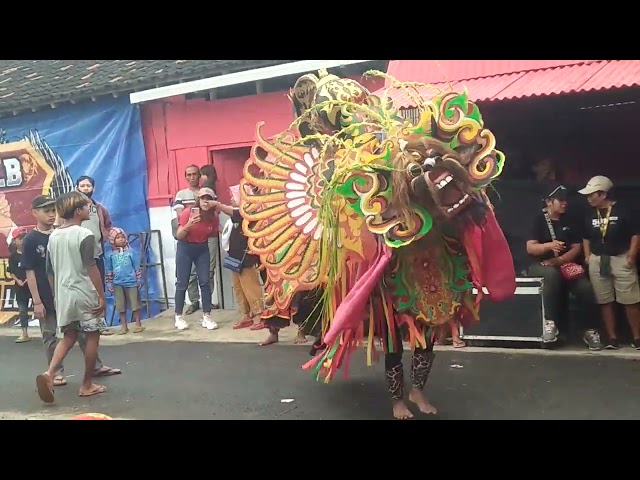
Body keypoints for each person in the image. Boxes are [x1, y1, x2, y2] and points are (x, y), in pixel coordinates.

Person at [23, 195, 120, 388]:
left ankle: (49, 373)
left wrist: (56, 294)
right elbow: (91, 266)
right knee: (92, 335)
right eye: (86, 207)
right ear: (78, 211)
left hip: (63, 294)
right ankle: (87, 385)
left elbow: (50, 271)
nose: (88, 210)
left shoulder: (54, 236)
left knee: (69, 336)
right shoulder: (84, 234)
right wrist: (101, 296)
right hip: (83, 291)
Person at [526, 184, 602, 349]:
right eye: (560, 200)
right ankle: (550, 324)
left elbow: (577, 247)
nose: (564, 203)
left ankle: (589, 330)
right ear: (548, 202)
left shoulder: (570, 220)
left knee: (585, 287)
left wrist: (560, 260)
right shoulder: (539, 219)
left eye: (565, 200)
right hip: (541, 264)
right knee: (552, 276)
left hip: (565, 264)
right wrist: (548, 246)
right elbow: (530, 247)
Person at [579, 175, 640, 350]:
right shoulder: (589, 214)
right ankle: (612, 338)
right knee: (604, 300)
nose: (589, 198)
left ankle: (637, 337)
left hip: (621, 258)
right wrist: (588, 256)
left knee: (630, 300)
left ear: (603, 194)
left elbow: (635, 234)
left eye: (592, 194)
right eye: (588, 195)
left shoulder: (623, 211)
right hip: (598, 260)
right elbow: (585, 237)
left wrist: (631, 255)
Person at [211, 186, 264, 333]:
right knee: (239, 288)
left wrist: (218, 205)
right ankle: (246, 315)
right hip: (234, 257)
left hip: (246, 257)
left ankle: (261, 316)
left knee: (251, 287)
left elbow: (237, 213)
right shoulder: (234, 216)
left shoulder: (249, 212)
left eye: (233, 196)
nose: (231, 198)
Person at [172, 165, 216, 314]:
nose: (192, 177)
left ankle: (207, 303)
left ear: (200, 176)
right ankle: (195, 301)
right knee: (189, 274)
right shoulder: (181, 194)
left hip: (206, 236)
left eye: (195, 174)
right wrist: (191, 218)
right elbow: (179, 216)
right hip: (188, 235)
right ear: (185, 177)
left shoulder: (207, 192)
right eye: (189, 174)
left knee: (209, 271)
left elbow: (214, 212)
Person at [76, 175, 114, 335]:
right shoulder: (71, 206)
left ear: (93, 188)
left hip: (96, 254)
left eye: (88, 186)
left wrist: (107, 236)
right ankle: (80, 326)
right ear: (77, 187)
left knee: (99, 289)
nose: (85, 188)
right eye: (82, 186)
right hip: (77, 257)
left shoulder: (99, 208)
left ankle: (101, 325)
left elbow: (107, 225)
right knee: (80, 289)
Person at [105, 227, 144, 334]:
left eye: (123, 237)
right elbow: (109, 270)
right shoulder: (110, 255)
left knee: (135, 304)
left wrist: (138, 279)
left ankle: (138, 324)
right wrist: (109, 283)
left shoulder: (131, 252)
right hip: (118, 283)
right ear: (112, 240)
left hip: (131, 282)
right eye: (118, 238)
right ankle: (124, 326)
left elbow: (136, 267)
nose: (121, 239)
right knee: (120, 306)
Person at [8, 227, 31, 343]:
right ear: (14, 241)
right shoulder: (12, 257)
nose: (22, 241)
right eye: (20, 238)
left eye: (24, 238)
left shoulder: (31, 254)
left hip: (33, 286)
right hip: (20, 288)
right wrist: (18, 280)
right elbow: (11, 271)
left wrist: (28, 279)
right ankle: (25, 333)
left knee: (42, 309)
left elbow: (35, 269)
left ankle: (47, 333)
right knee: (23, 310)